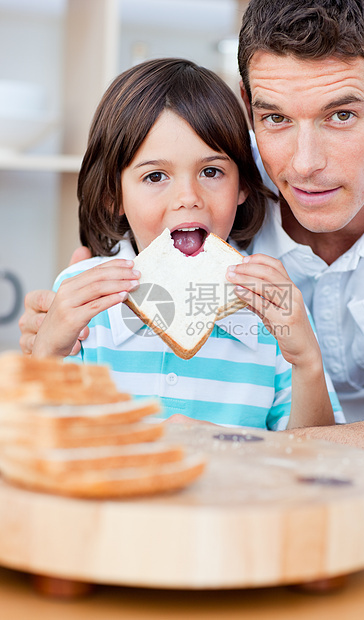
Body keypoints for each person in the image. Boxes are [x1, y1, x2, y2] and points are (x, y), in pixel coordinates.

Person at [19, 0, 364, 486]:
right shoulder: (224, 150)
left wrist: (252, 436)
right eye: (275, 118)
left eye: (341, 115)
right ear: (250, 112)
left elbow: (304, 452)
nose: (305, 163)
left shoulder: (263, 299)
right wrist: (47, 350)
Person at [29, 57, 342, 431]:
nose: (187, 197)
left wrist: (307, 363)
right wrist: (47, 352)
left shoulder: (274, 303)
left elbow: (312, 454)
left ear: (243, 184)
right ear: (114, 194)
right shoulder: (80, 300)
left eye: (211, 172)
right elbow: (38, 444)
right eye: (156, 175)